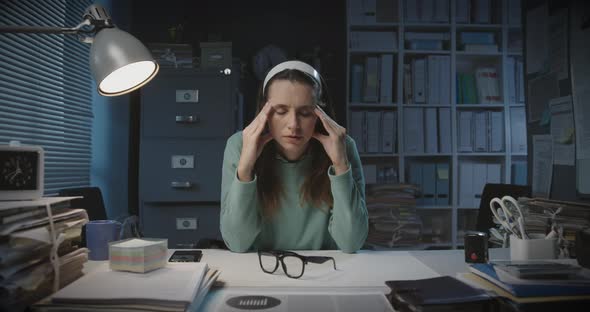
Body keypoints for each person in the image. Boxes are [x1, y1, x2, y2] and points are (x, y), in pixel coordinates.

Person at [220, 60, 368, 253]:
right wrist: (246, 167)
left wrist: (340, 165)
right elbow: (237, 242)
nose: (293, 125)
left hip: (326, 269)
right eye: (281, 111)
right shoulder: (238, 145)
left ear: (320, 114)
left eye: (305, 113)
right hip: (259, 270)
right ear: (264, 112)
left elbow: (352, 242)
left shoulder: (343, 145)